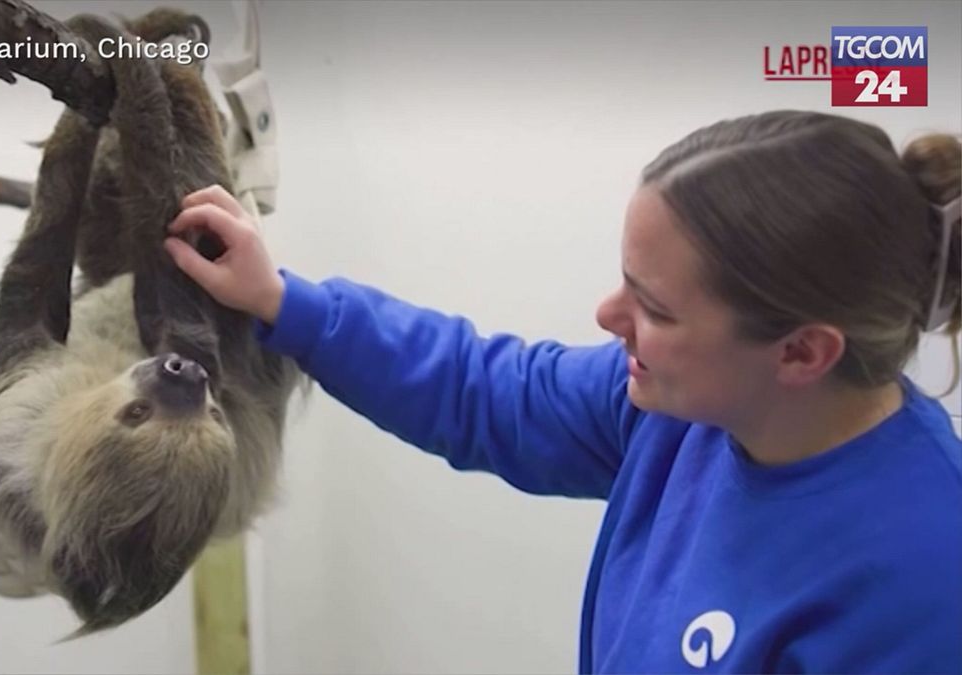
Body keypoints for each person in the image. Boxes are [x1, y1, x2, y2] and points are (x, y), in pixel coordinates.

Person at [163, 110, 962, 672]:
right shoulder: (683, 414)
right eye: (627, 283)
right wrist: (282, 301)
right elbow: (488, 390)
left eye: (653, 308)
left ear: (802, 351)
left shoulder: (923, 584)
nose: (609, 316)